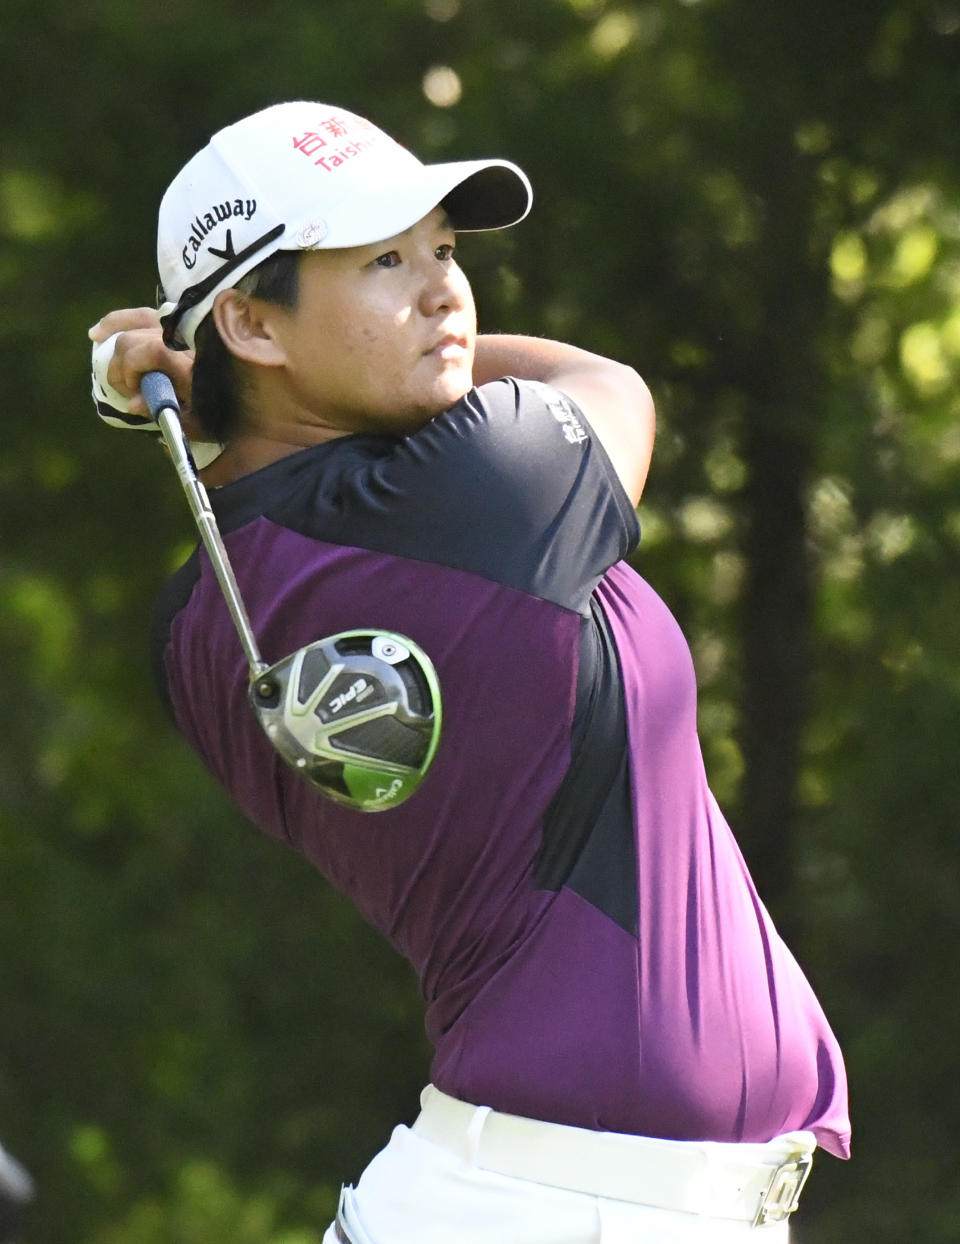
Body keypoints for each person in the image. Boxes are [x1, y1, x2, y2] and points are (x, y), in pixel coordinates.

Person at [89, 99, 850, 1243]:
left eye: (443, 248)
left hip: (535, 1194)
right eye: (385, 259)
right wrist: (199, 386)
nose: (445, 288)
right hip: (556, 1208)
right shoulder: (487, 490)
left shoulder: (196, 621)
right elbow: (610, 381)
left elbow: (284, 483)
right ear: (250, 321)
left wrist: (216, 388)